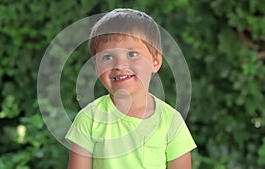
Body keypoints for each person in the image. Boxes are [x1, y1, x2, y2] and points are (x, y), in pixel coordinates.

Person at [65, 8, 196, 169]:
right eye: (108, 57)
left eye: (132, 54)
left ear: (155, 62)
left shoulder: (171, 122)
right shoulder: (88, 120)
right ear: (97, 67)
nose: (119, 65)